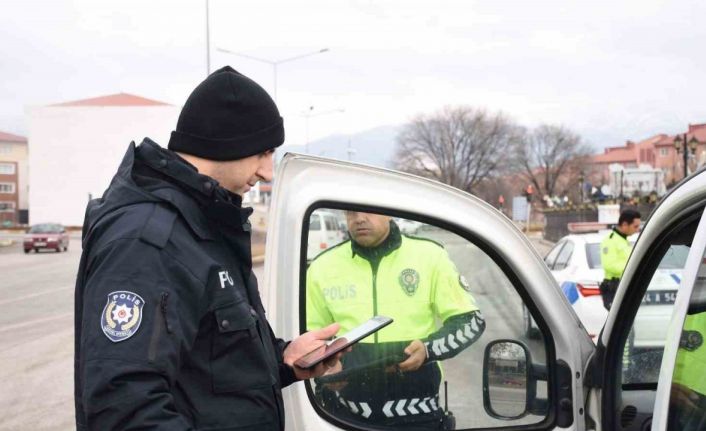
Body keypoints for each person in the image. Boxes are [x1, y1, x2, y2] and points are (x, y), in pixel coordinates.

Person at [74, 66, 342, 430]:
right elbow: (124, 408)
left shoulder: (204, 226)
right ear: (228, 143)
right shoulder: (150, 240)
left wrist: (284, 362)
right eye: (264, 153)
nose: (268, 171)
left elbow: (205, 374)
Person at [306, 211, 486, 430]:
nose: (359, 218)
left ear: (388, 212)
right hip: (343, 415)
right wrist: (325, 367)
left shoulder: (430, 255)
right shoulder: (322, 266)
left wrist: (428, 349)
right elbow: (308, 337)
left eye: (368, 209)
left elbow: (470, 321)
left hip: (417, 415)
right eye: (351, 212)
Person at [599, 209, 641, 310]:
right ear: (625, 224)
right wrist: (633, 267)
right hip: (614, 288)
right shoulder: (610, 240)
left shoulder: (623, 240)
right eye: (635, 226)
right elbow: (609, 265)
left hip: (623, 286)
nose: (638, 229)